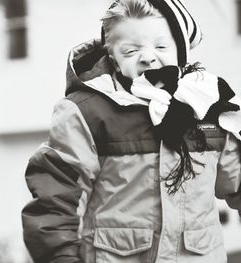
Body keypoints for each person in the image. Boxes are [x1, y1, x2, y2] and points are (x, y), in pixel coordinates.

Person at [22, 0, 241, 262]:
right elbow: (55, 203)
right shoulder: (87, 112)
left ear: (180, 51)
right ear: (113, 58)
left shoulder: (207, 107)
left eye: (161, 46)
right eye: (130, 50)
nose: (148, 57)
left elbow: (236, 180)